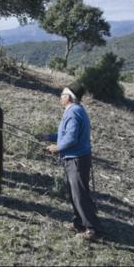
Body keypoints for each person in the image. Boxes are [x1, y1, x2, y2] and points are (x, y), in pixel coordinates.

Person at [36, 81, 101, 240]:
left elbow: (71, 139)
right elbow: (67, 134)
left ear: (69, 98)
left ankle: (91, 229)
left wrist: (56, 148)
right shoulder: (76, 110)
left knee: (79, 194)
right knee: (74, 193)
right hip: (77, 158)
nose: (60, 97)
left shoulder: (72, 112)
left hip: (76, 160)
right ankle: (79, 222)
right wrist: (49, 137)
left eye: (62, 95)